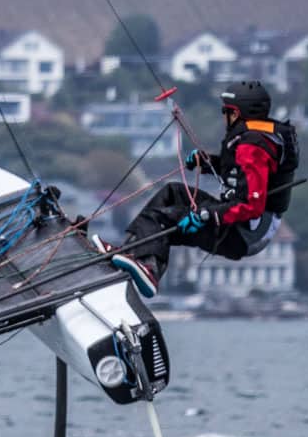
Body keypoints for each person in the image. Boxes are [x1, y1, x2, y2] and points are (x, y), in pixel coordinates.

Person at [108, 79, 297, 299]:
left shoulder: (253, 147)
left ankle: (149, 268)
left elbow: (251, 206)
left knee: (162, 217)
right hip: (240, 224)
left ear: (236, 113)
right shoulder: (257, 138)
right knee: (172, 192)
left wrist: (206, 214)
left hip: (244, 234)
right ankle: (132, 253)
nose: (224, 116)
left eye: (226, 111)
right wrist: (208, 163)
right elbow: (240, 174)